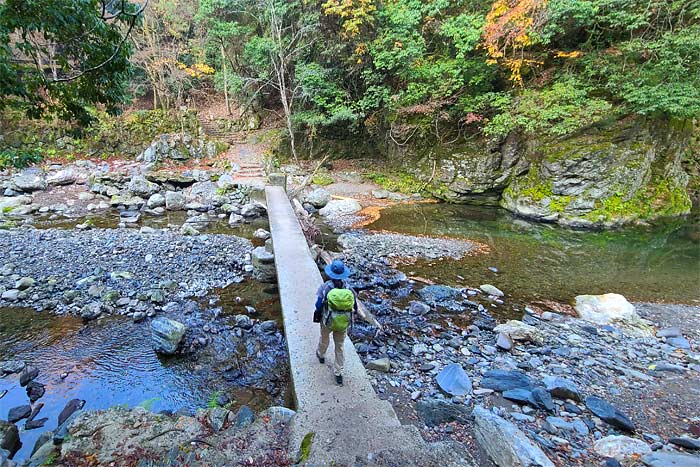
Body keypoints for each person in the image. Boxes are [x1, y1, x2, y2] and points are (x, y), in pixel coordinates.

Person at [315, 259, 357, 386]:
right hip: (343, 322)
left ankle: (321, 355)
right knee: (340, 346)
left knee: (324, 338)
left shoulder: (325, 287)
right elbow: (354, 306)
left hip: (327, 320)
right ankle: (338, 372)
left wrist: (320, 311)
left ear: (331, 273)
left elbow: (318, 305)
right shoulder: (348, 287)